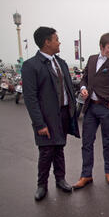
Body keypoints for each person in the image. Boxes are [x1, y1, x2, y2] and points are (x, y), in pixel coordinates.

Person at [22, 26, 80, 201]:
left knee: (59, 148)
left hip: (63, 114)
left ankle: (60, 179)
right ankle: (42, 185)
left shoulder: (61, 63)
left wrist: (72, 112)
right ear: (47, 42)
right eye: (56, 39)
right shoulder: (31, 65)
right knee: (46, 151)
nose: (59, 42)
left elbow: (69, 89)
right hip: (46, 118)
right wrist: (39, 124)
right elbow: (30, 98)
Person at [73, 33, 109, 189]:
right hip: (90, 107)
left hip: (106, 109)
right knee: (87, 142)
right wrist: (83, 87)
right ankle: (86, 175)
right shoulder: (91, 59)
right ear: (101, 46)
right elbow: (84, 78)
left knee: (107, 142)